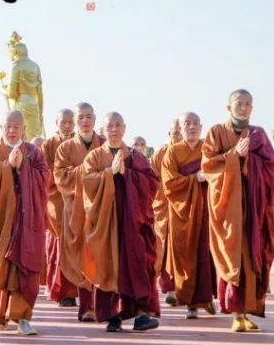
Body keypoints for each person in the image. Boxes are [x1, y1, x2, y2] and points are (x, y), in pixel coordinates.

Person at [201, 89, 274, 332]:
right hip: (228, 207)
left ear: (252, 108)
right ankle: (236, 313)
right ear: (229, 107)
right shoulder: (216, 132)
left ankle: (246, 311)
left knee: (252, 255)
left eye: (247, 104)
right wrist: (235, 156)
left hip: (253, 207)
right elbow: (209, 165)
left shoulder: (259, 135)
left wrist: (249, 160)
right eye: (238, 103)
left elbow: (271, 168)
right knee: (233, 255)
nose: (243, 108)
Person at [80, 112, 161, 333]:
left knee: (138, 262)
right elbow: (87, 183)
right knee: (108, 264)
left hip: (133, 222)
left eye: (118, 125)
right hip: (106, 223)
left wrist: (127, 174)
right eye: (110, 126)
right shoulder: (94, 157)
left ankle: (141, 314)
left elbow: (152, 183)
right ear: (103, 130)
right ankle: (112, 317)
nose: (114, 130)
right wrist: (110, 173)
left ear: (124, 128)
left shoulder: (135, 156)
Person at [0, 111, 48, 336]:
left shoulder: (34, 152)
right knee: (1, 265)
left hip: (27, 220)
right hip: (1, 220)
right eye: (8, 126)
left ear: (24, 129)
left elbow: (45, 178)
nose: (12, 130)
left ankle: (22, 318)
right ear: (1, 127)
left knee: (25, 269)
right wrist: (7, 166)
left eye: (17, 126)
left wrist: (23, 167)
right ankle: (0, 314)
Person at [53, 102, 105, 322]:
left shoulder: (105, 144)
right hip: (76, 210)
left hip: (102, 209)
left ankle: (103, 307)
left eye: (88, 117)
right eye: (80, 117)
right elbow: (60, 177)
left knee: (101, 255)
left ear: (95, 118)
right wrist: (88, 170)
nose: (84, 121)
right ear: (75, 121)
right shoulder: (64, 149)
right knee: (82, 256)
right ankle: (86, 307)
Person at [162, 112, 217, 319]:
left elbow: (220, 172)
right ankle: (191, 304)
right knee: (185, 255)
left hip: (206, 210)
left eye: (195, 124)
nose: (191, 127)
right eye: (187, 123)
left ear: (201, 128)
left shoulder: (208, 149)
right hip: (181, 212)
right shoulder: (173, 152)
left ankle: (205, 298)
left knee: (206, 254)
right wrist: (195, 178)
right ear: (181, 128)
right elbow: (169, 184)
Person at [41, 109, 77, 307]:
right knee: (58, 246)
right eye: (63, 122)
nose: (67, 125)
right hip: (56, 200)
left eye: (70, 122)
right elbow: (44, 173)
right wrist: (64, 178)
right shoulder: (48, 145)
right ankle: (63, 291)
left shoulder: (79, 143)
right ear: (56, 123)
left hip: (78, 200)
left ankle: (80, 289)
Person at [152, 118, 184, 307]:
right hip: (164, 206)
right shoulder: (161, 153)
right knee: (164, 247)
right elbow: (151, 178)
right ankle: (170, 288)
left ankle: (184, 289)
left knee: (183, 247)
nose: (178, 135)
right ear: (169, 134)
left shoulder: (192, 151)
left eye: (180, 131)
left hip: (185, 206)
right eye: (175, 132)